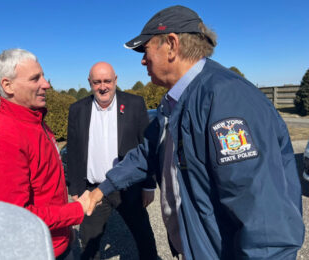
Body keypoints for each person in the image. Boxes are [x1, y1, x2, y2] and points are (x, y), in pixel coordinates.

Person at [85, 5, 305, 260]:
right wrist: (101, 190)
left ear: (171, 44)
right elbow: (146, 154)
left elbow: (263, 216)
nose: (143, 60)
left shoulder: (225, 98)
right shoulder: (174, 103)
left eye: (145, 50)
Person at [0, 48, 89, 259]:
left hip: (56, 241)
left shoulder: (36, 122)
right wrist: (76, 211)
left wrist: (65, 234)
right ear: (7, 85)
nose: (46, 84)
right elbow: (16, 217)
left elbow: (47, 188)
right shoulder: (5, 139)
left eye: (43, 76)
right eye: (35, 78)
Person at [67, 61, 157, 260]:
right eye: (97, 82)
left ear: (115, 80)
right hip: (93, 190)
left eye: (107, 81)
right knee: (89, 244)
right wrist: (75, 190)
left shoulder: (135, 104)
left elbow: (146, 146)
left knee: (144, 238)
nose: (102, 87)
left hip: (129, 189)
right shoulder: (77, 109)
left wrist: (149, 186)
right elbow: (73, 152)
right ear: (89, 82)